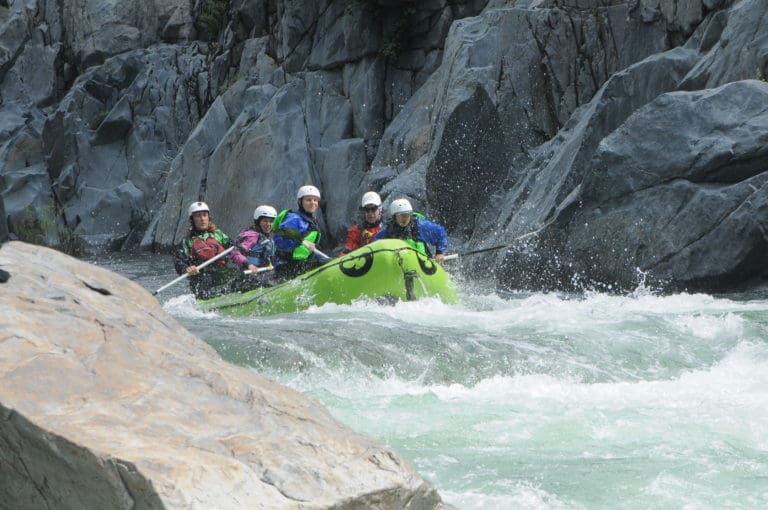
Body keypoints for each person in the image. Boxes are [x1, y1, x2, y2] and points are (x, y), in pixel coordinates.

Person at [173, 201, 236, 299]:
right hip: (201, 277)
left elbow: (234, 248)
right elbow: (178, 261)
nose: (202, 219)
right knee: (205, 278)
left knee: (236, 274)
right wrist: (187, 269)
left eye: (204, 215)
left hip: (220, 272)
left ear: (208, 218)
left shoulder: (218, 235)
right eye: (198, 216)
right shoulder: (187, 242)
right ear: (192, 220)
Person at [273, 185, 331, 280]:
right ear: (300, 202)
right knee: (323, 263)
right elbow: (279, 239)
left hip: (301, 263)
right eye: (308, 200)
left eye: (315, 200)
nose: (312, 203)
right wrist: (300, 241)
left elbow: (307, 251)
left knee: (325, 261)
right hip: (287, 265)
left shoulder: (311, 221)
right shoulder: (294, 218)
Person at [374, 198, 448, 263]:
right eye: (401, 215)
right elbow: (376, 246)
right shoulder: (387, 231)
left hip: (422, 265)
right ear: (394, 217)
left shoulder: (420, 226)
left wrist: (439, 252)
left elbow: (440, 233)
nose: (405, 219)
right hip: (398, 266)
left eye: (407, 215)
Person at [230, 205, 278, 290]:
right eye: (265, 221)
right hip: (250, 276)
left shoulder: (270, 240)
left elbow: (272, 260)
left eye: (271, 221)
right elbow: (235, 253)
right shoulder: (251, 236)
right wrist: (249, 265)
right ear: (258, 222)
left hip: (264, 274)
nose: (268, 224)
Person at [340, 191, 384, 256]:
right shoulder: (356, 231)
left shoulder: (388, 228)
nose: (370, 213)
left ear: (380, 209)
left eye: (373, 209)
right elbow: (347, 251)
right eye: (367, 210)